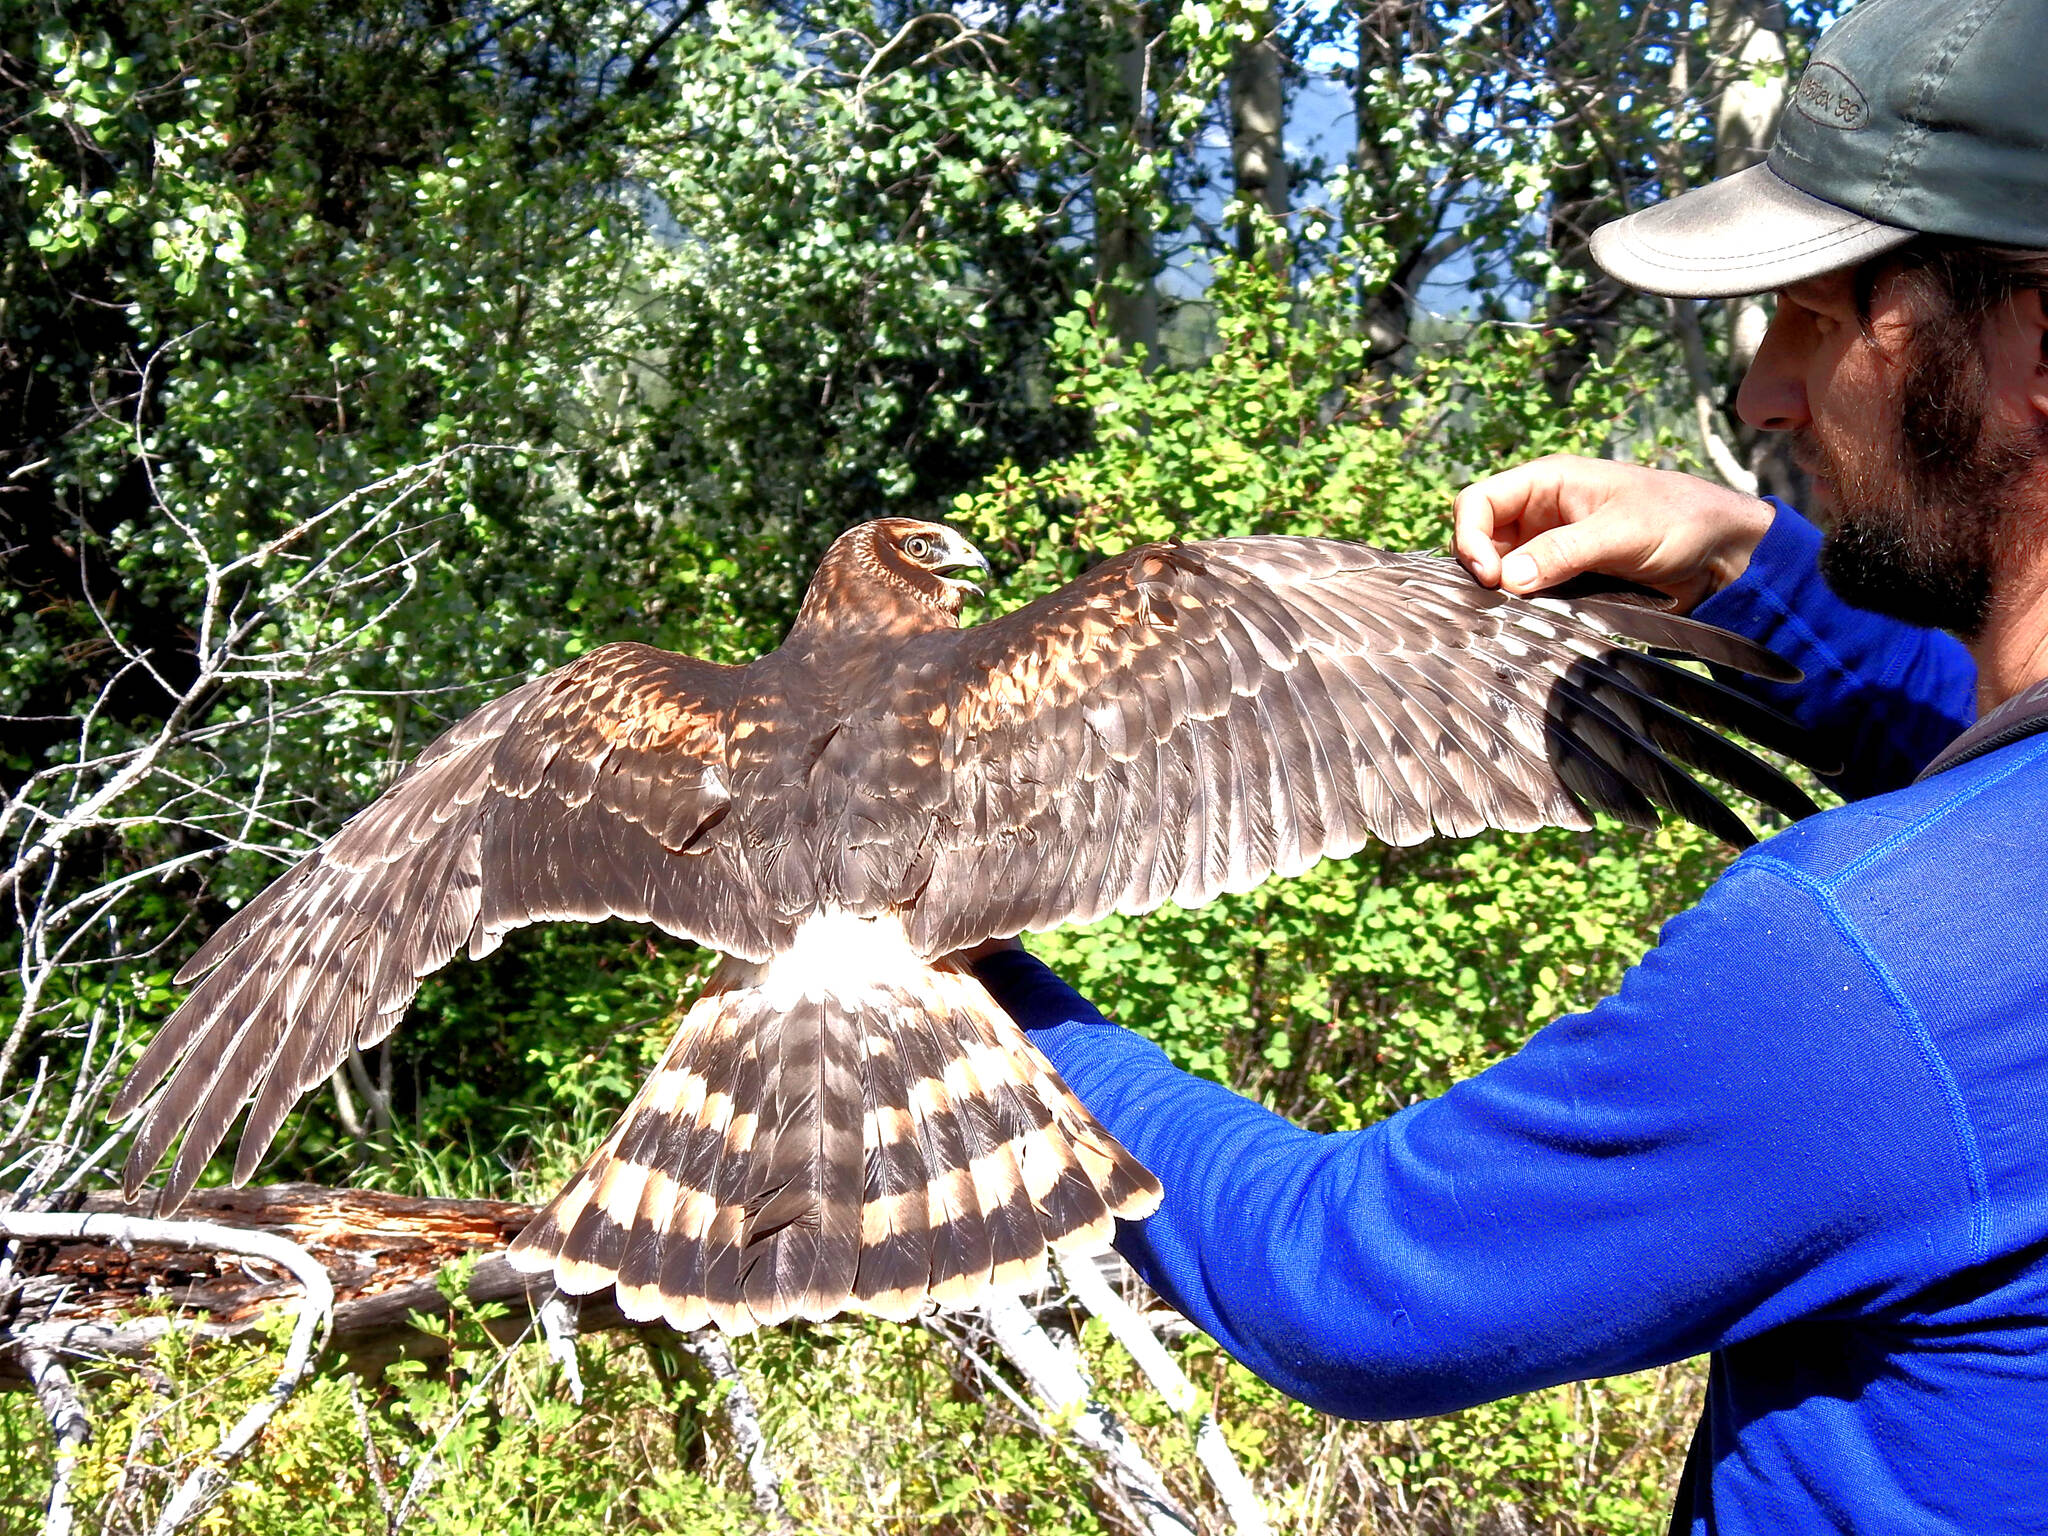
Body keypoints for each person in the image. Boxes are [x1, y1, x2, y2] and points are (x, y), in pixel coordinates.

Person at [968, 1, 2048, 1530]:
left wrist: (981, 1007)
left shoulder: (1870, 975)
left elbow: (1350, 1287)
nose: (1761, 397)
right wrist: (1757, 562)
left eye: (1816, 314)